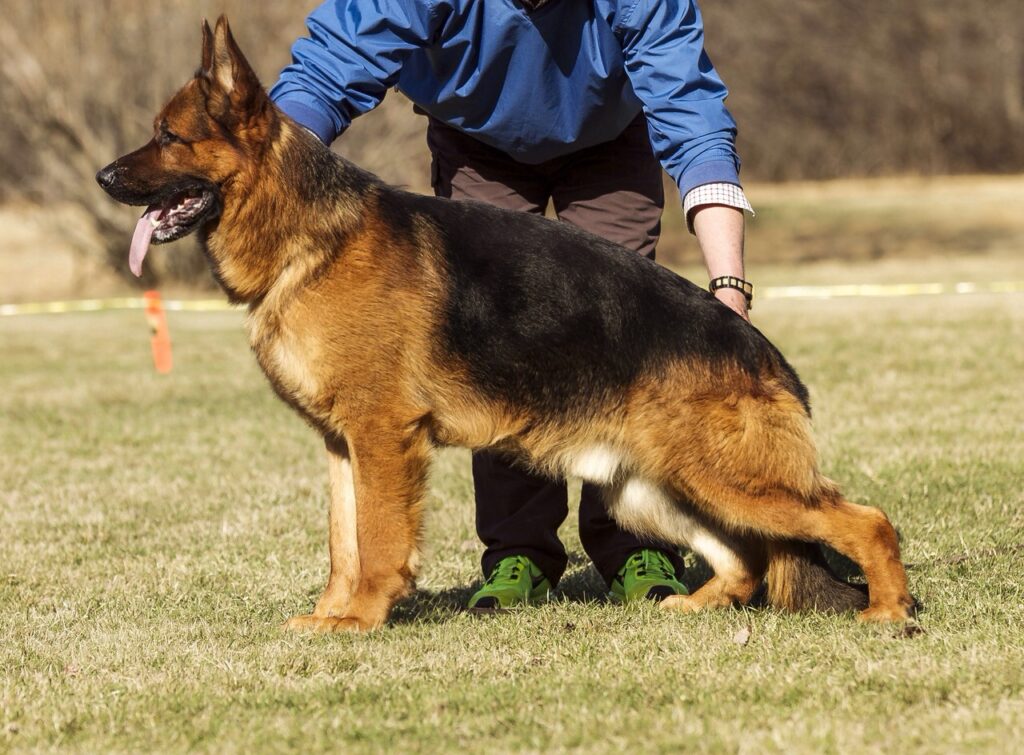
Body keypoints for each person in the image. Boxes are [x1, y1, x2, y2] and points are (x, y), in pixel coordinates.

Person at [270, 0, 755, 610]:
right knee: (486, 345)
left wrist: (729, 286)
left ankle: (638, 548)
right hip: (478, 144)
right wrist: (262, 172)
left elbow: (692, 112)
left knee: (620, 342)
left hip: (610, 141)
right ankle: (520, 554)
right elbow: (324, 73)